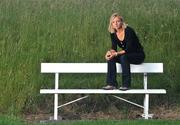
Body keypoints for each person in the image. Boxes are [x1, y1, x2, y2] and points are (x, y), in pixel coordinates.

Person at [102, 13, 145, 90]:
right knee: (111, 57)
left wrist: (116, 53)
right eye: (113, 22)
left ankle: (126, 85)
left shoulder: (128, 30)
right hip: (125, 55)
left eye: (118, 21)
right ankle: (112, 84)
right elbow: (114, 48)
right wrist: (109, 53)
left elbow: (128, 49)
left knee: (123, 57)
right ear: (111, 24)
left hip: (138, 55)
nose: (116, 24)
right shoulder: (113, 33)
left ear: (122, 22)